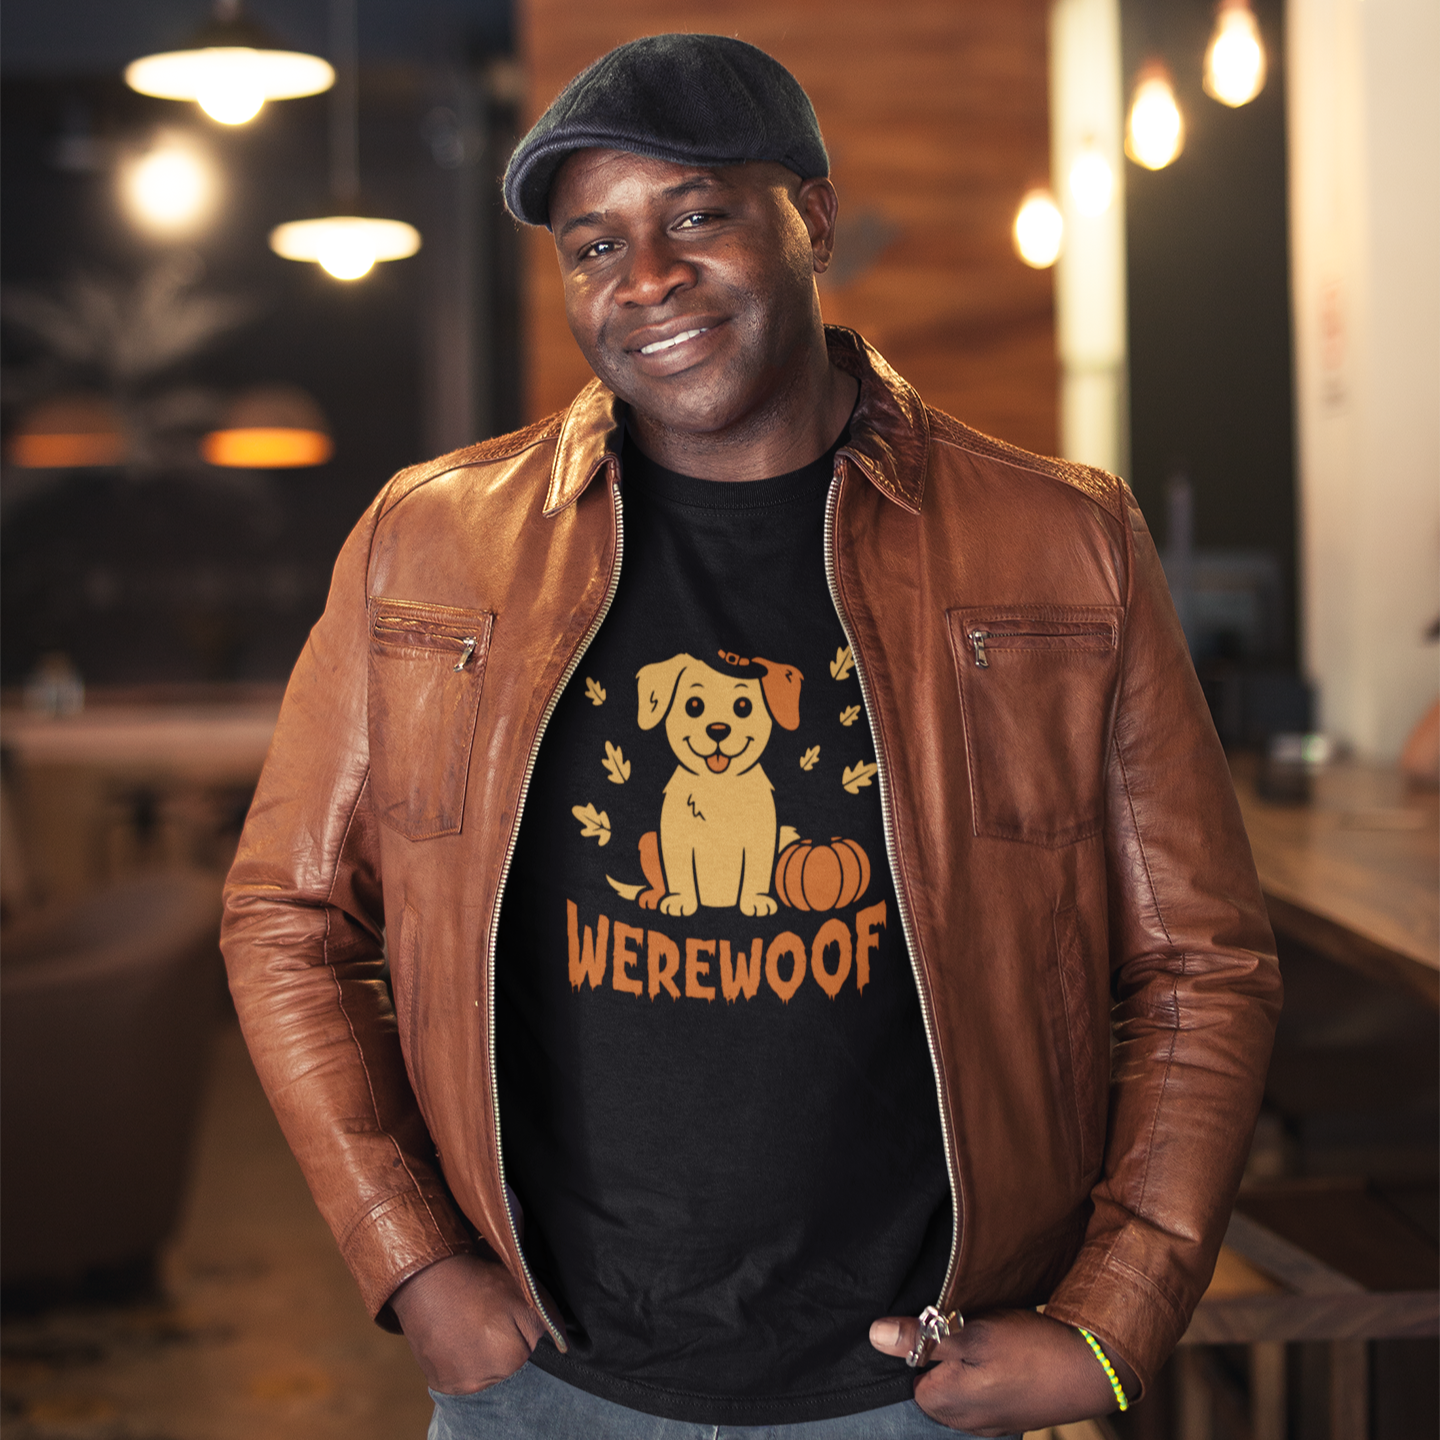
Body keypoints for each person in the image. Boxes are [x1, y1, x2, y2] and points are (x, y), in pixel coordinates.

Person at [221, 33, 1281, 1439]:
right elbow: (289, 916)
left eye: (698, 216)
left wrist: (1115, 1315)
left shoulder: (1061, 544)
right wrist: (408, 1260)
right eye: (596, 246)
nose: (646, 278)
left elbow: (1204, 963)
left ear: (814, 222)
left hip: (912, 1386)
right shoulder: (431, 545)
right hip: (545, 1380)